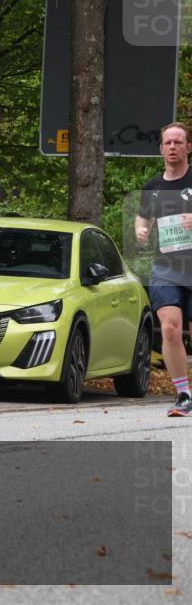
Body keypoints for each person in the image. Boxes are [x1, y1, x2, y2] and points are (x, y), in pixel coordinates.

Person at [136, 121, 192, 417]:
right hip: (166, 267)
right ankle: (183, 392)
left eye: (178, 142)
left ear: (188, 147)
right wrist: (141, 231)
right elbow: (142, 218)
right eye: (168, 143)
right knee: (170, 328)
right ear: (161, 149)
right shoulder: (153, 187)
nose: (172, 147)